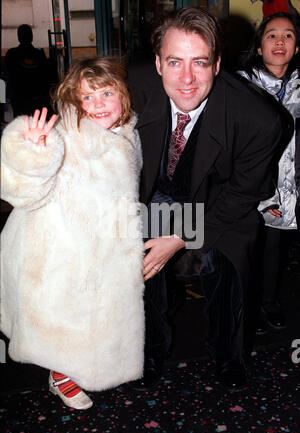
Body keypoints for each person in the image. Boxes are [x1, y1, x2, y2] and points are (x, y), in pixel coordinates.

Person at [128, 7, 290, 392]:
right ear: (157, 63)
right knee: (139, 258)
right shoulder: (132, 88)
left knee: (227, 266)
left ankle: (227, 355)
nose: (186, 79)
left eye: (199, 62)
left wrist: (180, 238)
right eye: (174, 62)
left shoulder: (258, 119)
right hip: (156, 193)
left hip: (222, 201)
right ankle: (149, 350)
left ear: (217, 64)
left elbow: (241, 196)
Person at [0, 57, 145, 410]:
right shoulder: (66, 137)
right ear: (73, 102)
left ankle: (88, 366)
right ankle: (60, 373)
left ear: (122, 95)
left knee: (96, 313)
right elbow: (24, 190)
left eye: (106, 93)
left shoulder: (127, 134)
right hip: (57, 247)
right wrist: (34, 152)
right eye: (87, 98)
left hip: (104, 245)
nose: (97, 105)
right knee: (63, 316)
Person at [238, 12, 300, 334]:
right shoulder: (240, 85)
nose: (280, 40)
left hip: (285, 186)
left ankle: (269, 302)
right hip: (246, 187)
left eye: (288, 35)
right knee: (245, 250)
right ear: (259, 48)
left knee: (273, 249)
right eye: (271, 35)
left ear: (297, 47)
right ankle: (245, 308)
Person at [5, 24, 54, 117]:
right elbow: (47, 76)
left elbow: (7, 76)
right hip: (37, 98)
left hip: (19, 98)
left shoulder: (11, 54)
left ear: (18, 37)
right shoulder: (39, 54)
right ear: (32, 36)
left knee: (21, 125)